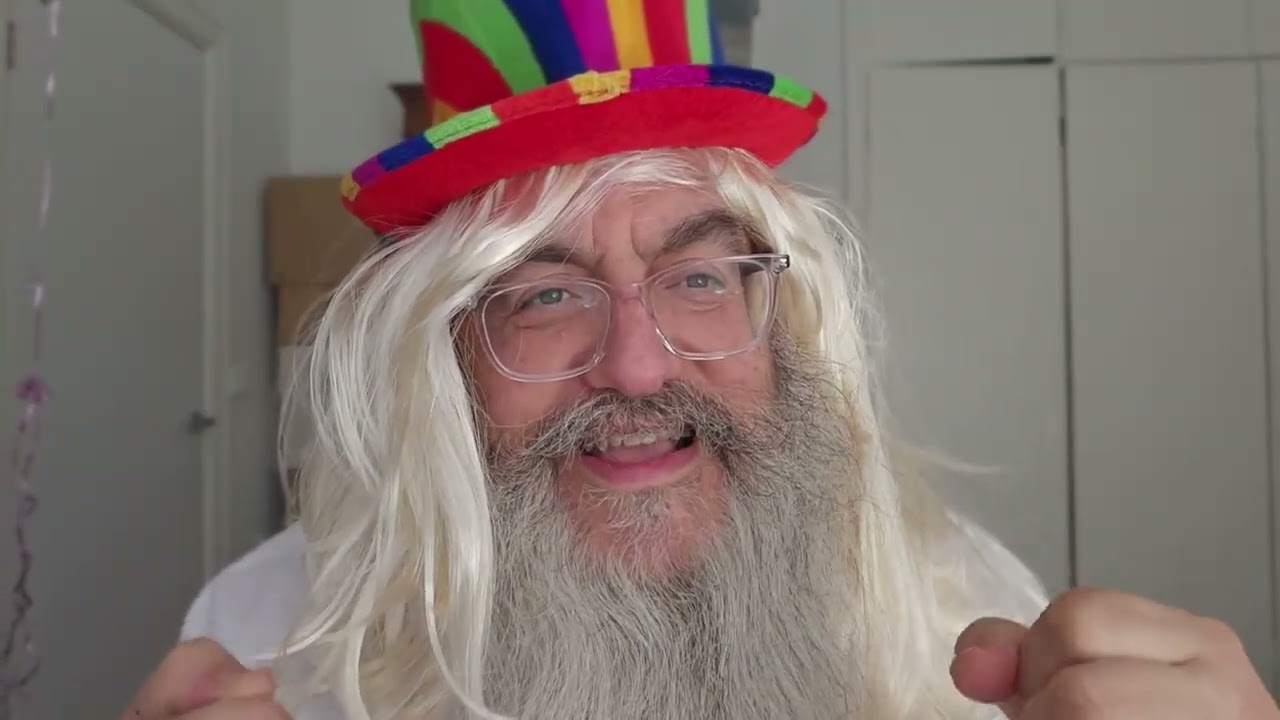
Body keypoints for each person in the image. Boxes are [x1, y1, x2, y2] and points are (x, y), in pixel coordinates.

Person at [124, 1, 1280, 719]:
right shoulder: (270, 632)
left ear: (782, 314)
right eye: (542, 297)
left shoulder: (954, 599)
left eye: (698, 277)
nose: (635, 369)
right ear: (448, 350)